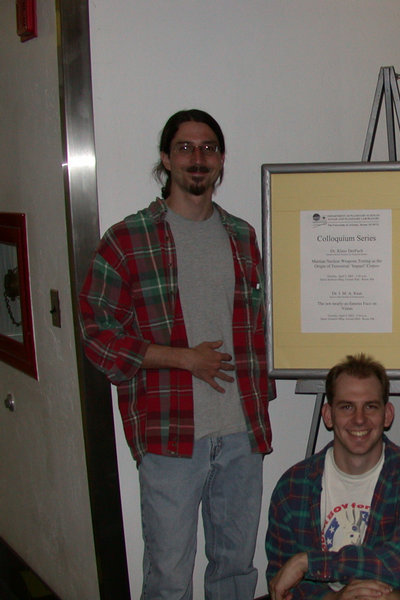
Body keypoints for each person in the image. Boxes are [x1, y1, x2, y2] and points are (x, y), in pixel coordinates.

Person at [79, 109, 273, 600]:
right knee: (168, 578)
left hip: (240, 435)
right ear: (166, 158)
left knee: (235, 571)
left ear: (222, 159)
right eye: (185, 148)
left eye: (208, 148)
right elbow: (97, 334)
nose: (198, 158)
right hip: (170, 437)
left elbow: (264, 327)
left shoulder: (244, 237)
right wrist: (181, 358)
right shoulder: (127, 240)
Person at [266, 354, 400, 600]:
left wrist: (308, 562)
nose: (359, 419)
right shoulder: (292, 486)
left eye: (370, 406)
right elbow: (280, 579)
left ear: (388, 414)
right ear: (328, 415)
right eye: (347, 406)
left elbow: (399, 568)